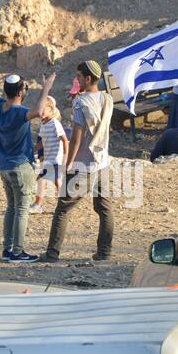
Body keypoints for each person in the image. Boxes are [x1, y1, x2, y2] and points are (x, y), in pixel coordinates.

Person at [0, 69, 55, 262]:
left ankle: (7, 249)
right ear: (20, 92)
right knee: (21, 209)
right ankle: (18, 252)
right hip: (21, 166)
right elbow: (39, 112)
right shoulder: (20, 112)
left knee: (11, 206)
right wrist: (46, 88)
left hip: (4, 166)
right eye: (25, 88)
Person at [43, 60, 114, 263]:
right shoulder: (108, 99)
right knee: (105, 208)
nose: (77, 80)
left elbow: (76, 137)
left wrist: (69, 164)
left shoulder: (81, 102)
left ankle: (52, 253)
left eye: (79, 77)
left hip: (84, 163)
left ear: (88, 78)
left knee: (63, 209)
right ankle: (104, 252)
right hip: (103, 161)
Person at [31, 97, 67, 215]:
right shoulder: (44, 124)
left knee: (48, 180)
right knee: (53, 181)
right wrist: (33, 151)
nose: (40, 112)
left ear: (50, 109)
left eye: (43, 109)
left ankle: (41, 205)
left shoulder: (55, 123)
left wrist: (65, 156)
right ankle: (63, 204)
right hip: (48, 159)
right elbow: (42, 142)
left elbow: (65, 140)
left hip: (55, 159)